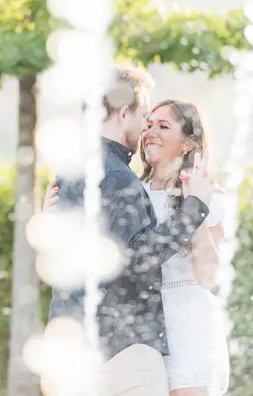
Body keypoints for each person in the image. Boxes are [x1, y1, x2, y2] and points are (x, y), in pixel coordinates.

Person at [45, 66, 216, 396]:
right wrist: (194, 206)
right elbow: (138, 257)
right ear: (124, 113)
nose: (145, 127)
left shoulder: (68, 171)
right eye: (143, 115)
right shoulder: (118, 176)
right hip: (122, 348)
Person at [140, 99, 230, 396]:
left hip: (189, 326)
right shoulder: (130, 194)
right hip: (139, 328)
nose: (150, 132)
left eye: (163, 126)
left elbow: (208, 277)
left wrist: (197, 207)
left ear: (188, 144)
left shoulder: (209, 196)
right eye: (148, 125)